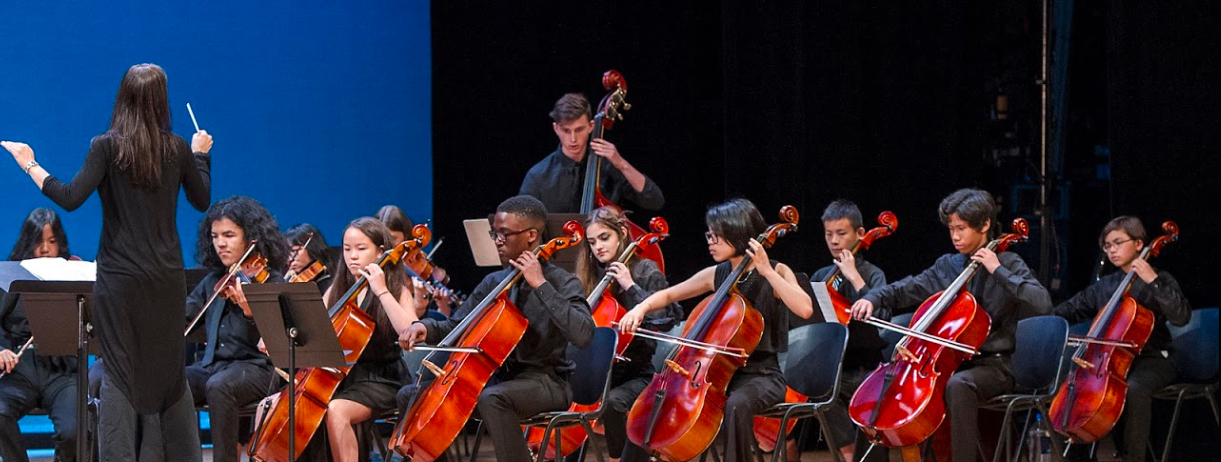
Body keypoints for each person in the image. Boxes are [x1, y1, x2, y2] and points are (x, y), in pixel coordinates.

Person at [2, 63, 212, 461]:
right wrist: (201, 156)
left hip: (119, 282)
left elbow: (67, 196)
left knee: (119, 373)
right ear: (161, 100)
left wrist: (28, 162)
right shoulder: (178, 148)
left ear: (124, 98)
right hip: (167, 280)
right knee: (170, 376)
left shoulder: (106, 146)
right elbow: (202, 200)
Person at [850, 188, 1052, 462]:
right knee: (889, 387)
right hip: (947, 363)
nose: (955, 236)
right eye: (951, 228)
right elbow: (905, 288)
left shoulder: (1008, 262)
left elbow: (1041, 303)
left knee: (958, 385)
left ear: (985, 225)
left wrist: (997, 270)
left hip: (995, 366)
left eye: (962, 228)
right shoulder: (949, 265)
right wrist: (873, 298)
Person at [400, 195, 594, 462]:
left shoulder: (561, 282)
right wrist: (424, 326)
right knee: (411, 395)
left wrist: (540, 285)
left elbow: (583, 334)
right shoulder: (494, 282)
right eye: (495, 234)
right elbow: (458, 324)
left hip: (546, 381)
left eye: (504, 235)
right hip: (498, 378)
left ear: (531, 235)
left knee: (494, 399)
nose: (497, 242)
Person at [618, 198, 814, 462]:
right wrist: (640, 308)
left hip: (763, 376)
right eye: (709, 235)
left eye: (718, 236)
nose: (710, 241)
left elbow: (805, 308)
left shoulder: (777, 270)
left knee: (737, 405)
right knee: (652, 405)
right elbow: (667, 296)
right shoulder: (717, 274)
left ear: (739, 233)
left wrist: (767, 270)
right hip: (717, 378)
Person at [1055, 216, 1191, 462]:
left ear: (1139, 244)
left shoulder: (1159, 279)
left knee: (1135, 388)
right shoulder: (1106, 286)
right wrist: (1041, 318)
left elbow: (1181, 316)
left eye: (1118, 242)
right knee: (1070, 387)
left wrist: (1153, 281)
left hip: (1155, 358)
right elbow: (1070, 309)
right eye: (1107, 246)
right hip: (1112, 362)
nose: (1111, 250)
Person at [300, 217, 418, 462]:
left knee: (337, 409)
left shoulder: (397, 289)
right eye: (347, 249)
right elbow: (316, 331)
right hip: (345, 377)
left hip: (383, 379)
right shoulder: (337, 289)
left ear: (380, 252)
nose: (352, 256)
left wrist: (381, 290)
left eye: (361, 249)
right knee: (291, 405)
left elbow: (410, 330)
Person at [782, 199, 889, 462]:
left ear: (860, 234)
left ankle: (857, 454)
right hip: (831, 369)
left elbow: (883, 317)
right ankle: (844, 452)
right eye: (829, 234)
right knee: (808, 387)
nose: (834, 241)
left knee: (832, 389)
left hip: (865, 368)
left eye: (841, 234)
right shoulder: (821, 275)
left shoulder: (873, 274)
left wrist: (854, 277)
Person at [183, 196, 289, 462]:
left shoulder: (270, 281)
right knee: (171, 379)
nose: (221, 243)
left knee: (220, 386)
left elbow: (279, 342)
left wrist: (252, 312)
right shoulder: (213, 281)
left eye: (229, 235)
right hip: (214, 365)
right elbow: (184, 314)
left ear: (250, 236)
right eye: (215, 236)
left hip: (260, 368)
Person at [574, 206, 681, 461]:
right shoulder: (591, 277)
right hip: (597, 375)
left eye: (604, 238)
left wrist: (629, 285)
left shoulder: (645, 270)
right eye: (591, 242)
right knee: (566, 400)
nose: (598, 247)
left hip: (637, 375)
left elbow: (667, 319)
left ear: (622, 232)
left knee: (613, 403)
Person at [0, 209, 80, 462]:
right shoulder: (11, 276)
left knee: (73, 431)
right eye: (39, 241)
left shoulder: (74, 274)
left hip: (62, 370)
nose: (45, 249)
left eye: (52, 241)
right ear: (28, 242)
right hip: (20, 369)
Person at [519, 93, 664, 213]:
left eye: (579, 129)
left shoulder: (609, 166)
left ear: (591, 126)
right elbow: (522, 224)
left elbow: (654, 201)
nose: (573, 139)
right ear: (556, 128)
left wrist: (622, 164)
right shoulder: (537, 176)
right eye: (566, 130)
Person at [284, 223, 334, 294]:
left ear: (312, 248)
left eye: (295, 251)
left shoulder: (327, 284)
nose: (289, 258)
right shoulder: (290, 277)